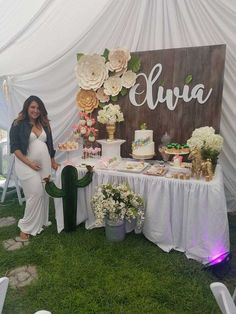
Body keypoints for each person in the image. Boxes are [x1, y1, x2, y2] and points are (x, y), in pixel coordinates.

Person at [9, 95, 59, 240]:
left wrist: (53, 161)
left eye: (38, 108)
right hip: (25, 164)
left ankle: (41, 222)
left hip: (45, 164)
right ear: (27, 107)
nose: (35, 110)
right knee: (35, 193)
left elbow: (49, 145)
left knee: (44, 192)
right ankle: (25, 227)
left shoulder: (44, 123)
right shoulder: (18, 123)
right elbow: (15, 148)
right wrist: (29, 163)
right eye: (32, 107)